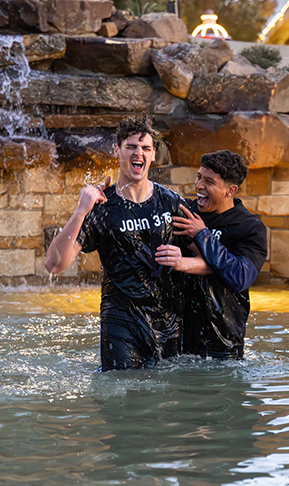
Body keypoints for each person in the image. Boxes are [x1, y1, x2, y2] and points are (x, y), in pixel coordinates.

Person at [44, 114, 190, 371]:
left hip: (168, 323)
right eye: (131, 146)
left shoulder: (171, 203)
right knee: (124, 401)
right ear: (117, 150)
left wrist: (184, 261)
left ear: (154, 154)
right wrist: (80, 211)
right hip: (121, 327)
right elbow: (55, 264)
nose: (139, 153)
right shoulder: (102, 206)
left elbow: (208, 258)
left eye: (146, 148)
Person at [155, 150, 267, 359]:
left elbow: (240, 276)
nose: (198, 186)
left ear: (230, 190)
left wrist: (201, 235)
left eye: (209, 181)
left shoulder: (250, 228)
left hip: (222, 346)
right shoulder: (184, 212)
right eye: (198, 177)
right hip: (174, 340)